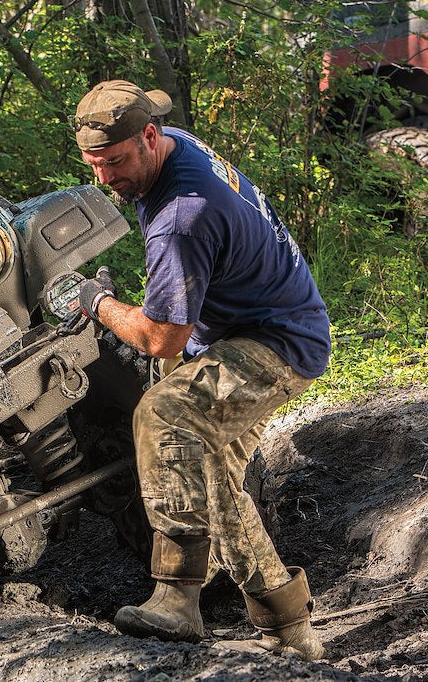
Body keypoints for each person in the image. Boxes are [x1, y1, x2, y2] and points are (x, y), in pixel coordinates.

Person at [71, 80, 331, 661]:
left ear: (147, 136)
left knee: (166, 415)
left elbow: (162, 338)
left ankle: (213, 604)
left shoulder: (181, 217)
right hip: (252, 325)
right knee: (209, 472)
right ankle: (250, 620)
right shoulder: (175, 148)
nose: (106, 179)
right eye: (93, 165)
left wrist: (94, 303)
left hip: (274, 342)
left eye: (115, 163)